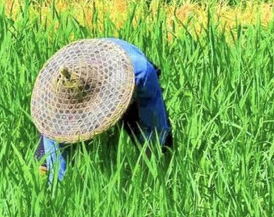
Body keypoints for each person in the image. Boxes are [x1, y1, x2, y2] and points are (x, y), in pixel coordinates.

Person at [31, 37, 173, 183]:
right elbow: (57, 168)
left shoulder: (138, 72)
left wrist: (149, 178)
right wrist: (57, 187)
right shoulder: (54, 99)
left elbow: (155, 129)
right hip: (73, 83)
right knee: (45, 162)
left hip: (124, 80)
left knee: (161, 148)